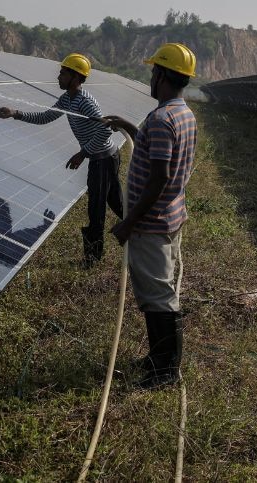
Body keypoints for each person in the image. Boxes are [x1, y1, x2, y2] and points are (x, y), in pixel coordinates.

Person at [103, 42, 197, 389]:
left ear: (163, 76)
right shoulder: (183, 114)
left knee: (158, 297)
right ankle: (159, 358)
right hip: (170, 218)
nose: (151, 78)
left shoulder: (160, 119)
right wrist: (127, 125)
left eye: (154, 71)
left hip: (151, 224)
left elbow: (159, 177)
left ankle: (165, 371)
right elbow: (157, 149)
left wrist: (128, 223)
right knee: (163, 290)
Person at [0, 53, 123, 268]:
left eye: (63, 73)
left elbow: (106, 129)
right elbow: (45, 117)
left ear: (76, 77)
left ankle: (91, 261)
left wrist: (83, 153)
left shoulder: (84, 102)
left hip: (104, 159)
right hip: (101, 157)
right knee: (116, 203)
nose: (58, 77)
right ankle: (142, 229)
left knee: (96, 209)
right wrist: (14, 113)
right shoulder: (67, 99)